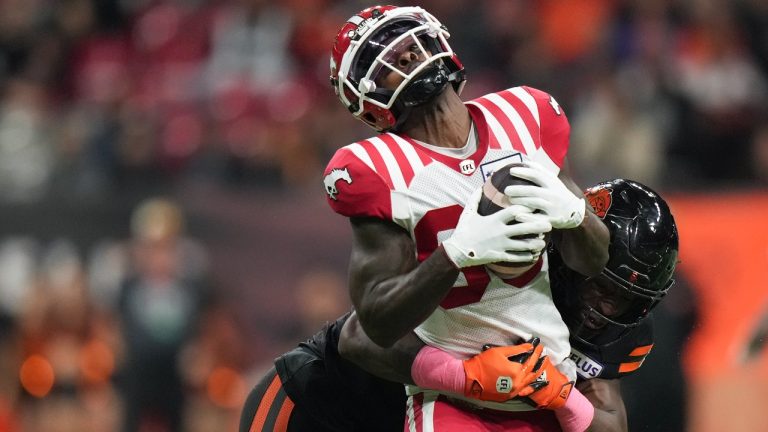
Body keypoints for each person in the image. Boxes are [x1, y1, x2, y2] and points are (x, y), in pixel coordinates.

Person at [322, 4, 609, 430]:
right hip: (458, 406)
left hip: (554, 386)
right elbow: (378, 324)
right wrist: (456, 253)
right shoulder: (379, 168)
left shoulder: (524, 115)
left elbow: (592, 260)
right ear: (365, 97)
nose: (404, 55)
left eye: (409, 41)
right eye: (380, 59)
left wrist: (575, 216)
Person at [240, 178, 679, 432]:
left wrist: (564, 395)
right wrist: (463, 376)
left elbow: (608, 422)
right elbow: (359, 339)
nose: (603, 307)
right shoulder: (509, 257)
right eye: (598, 285)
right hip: (326, 405)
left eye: (624, 298)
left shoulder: (620, 330)